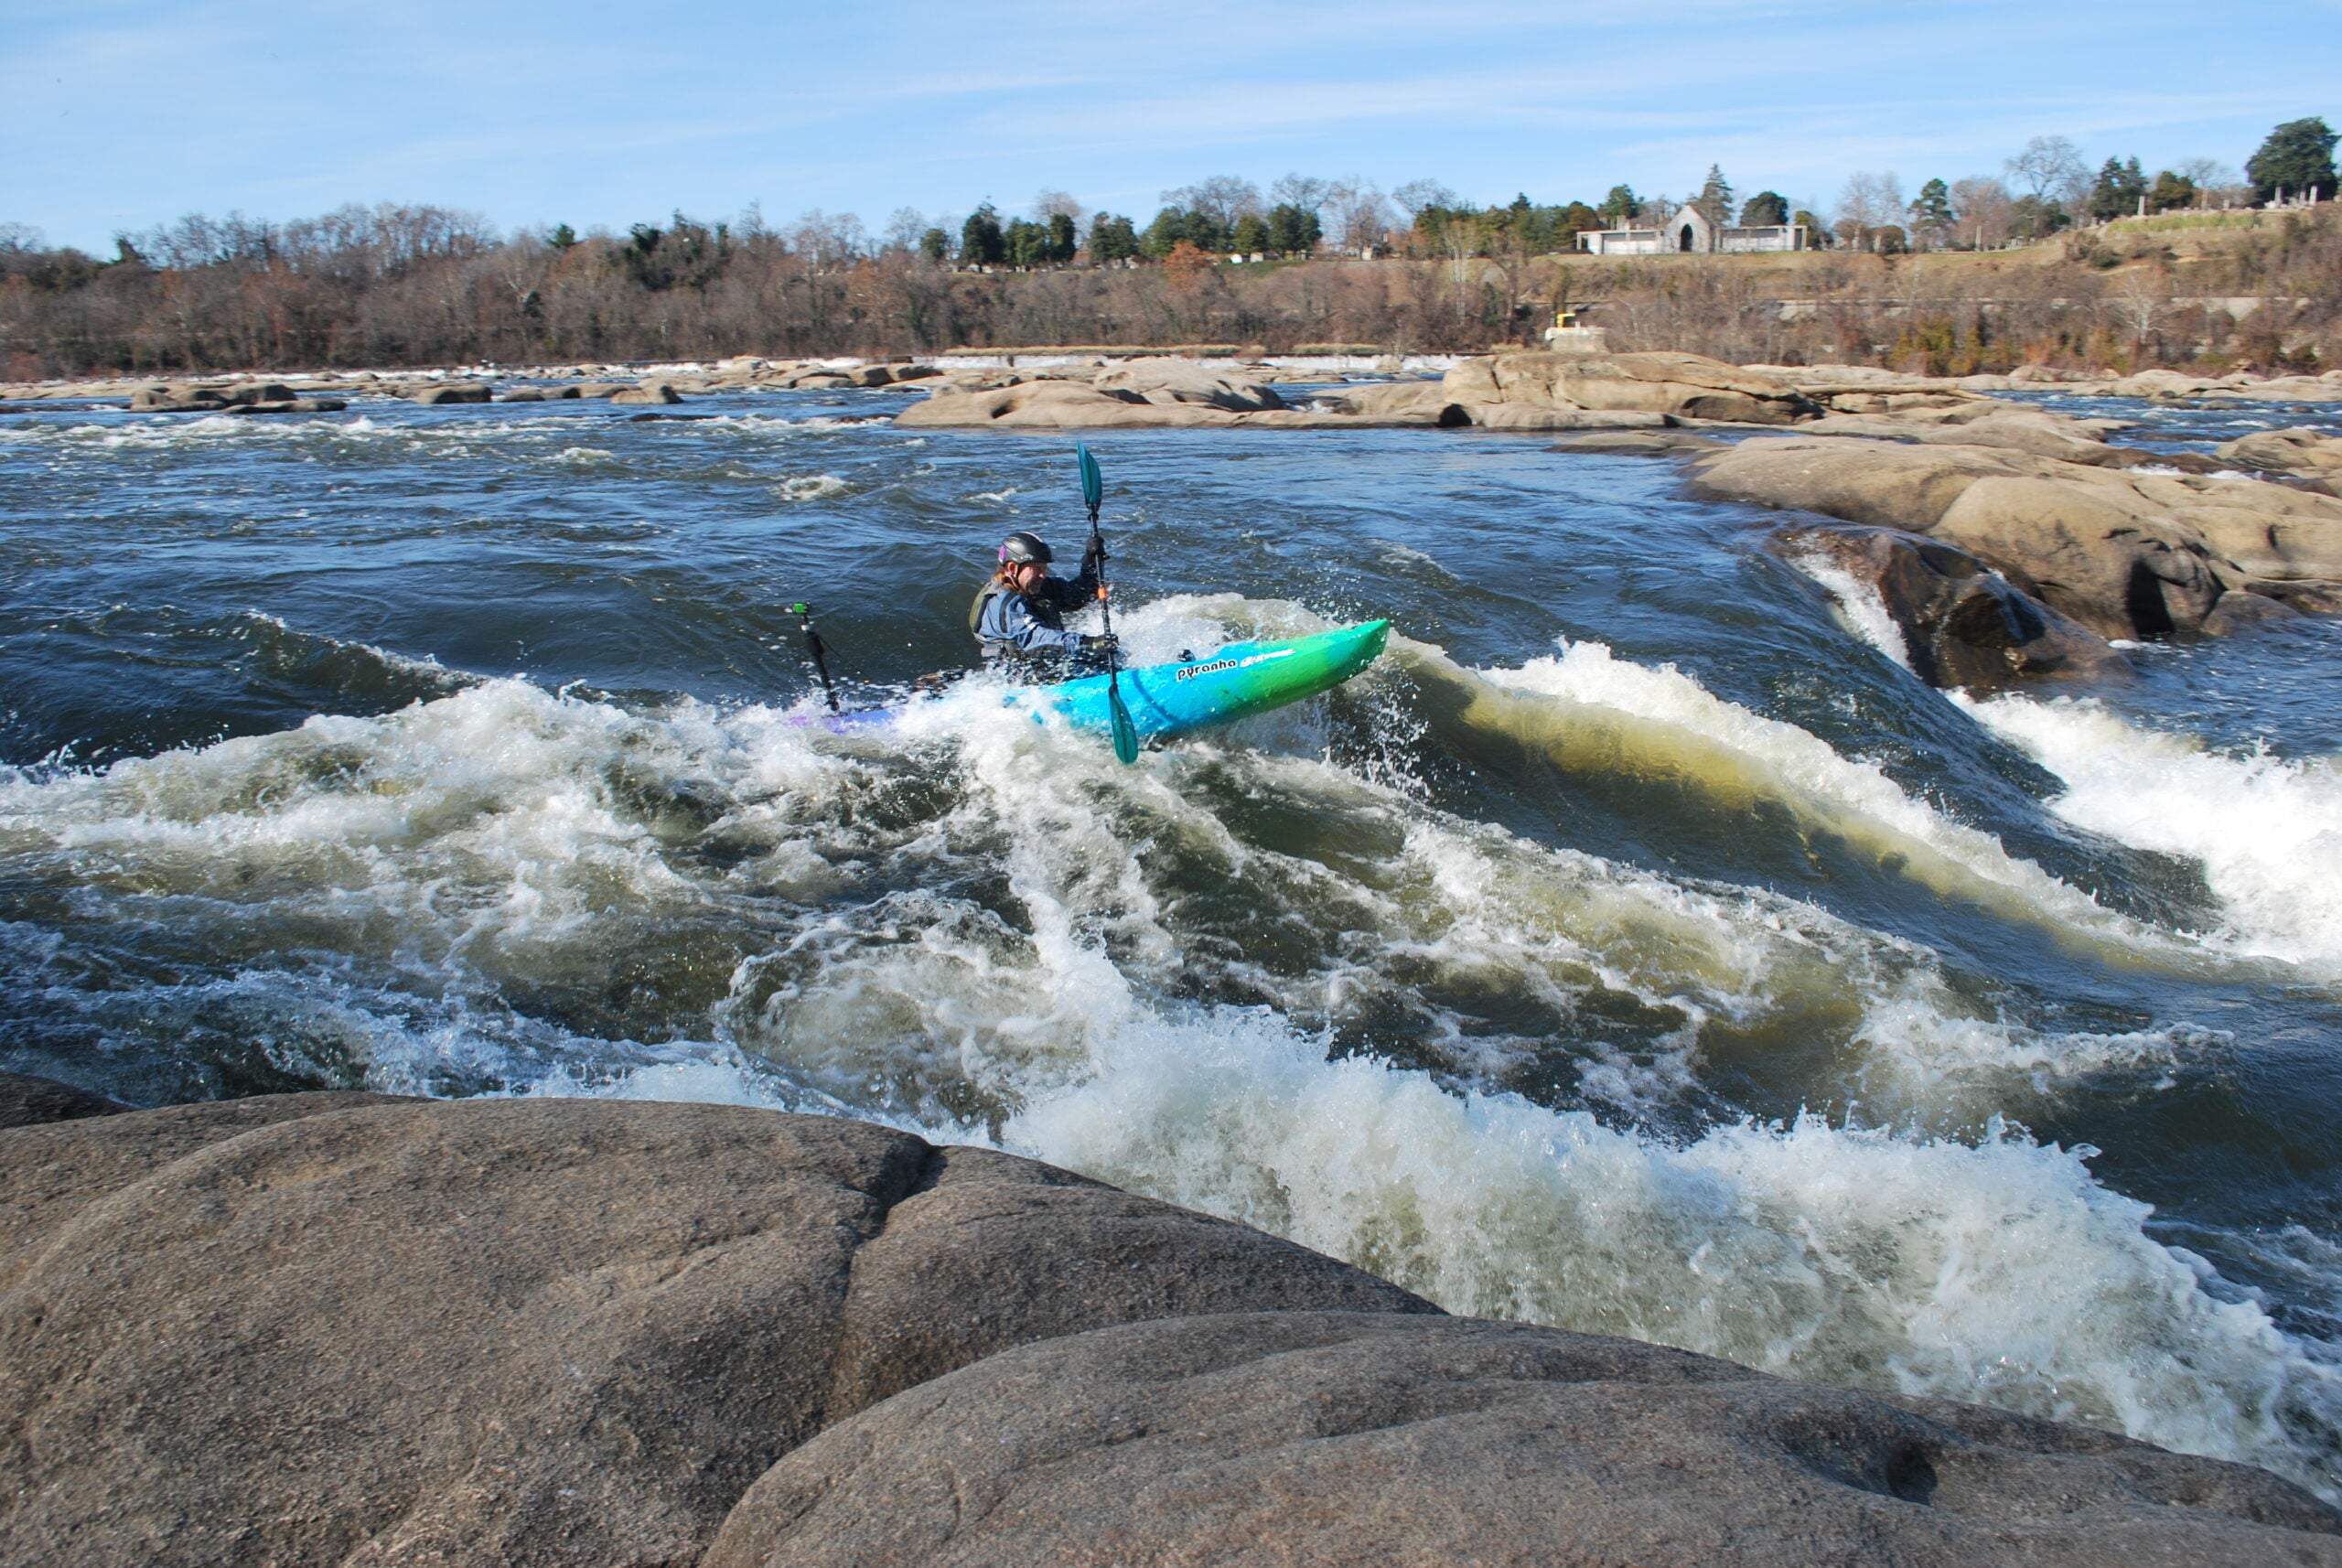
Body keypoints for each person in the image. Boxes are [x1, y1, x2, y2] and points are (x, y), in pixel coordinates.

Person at [969, 531, 1117, 676]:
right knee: (1095, 656)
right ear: (1013, 568)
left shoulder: (1037, 587)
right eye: (1036, 568)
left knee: (1110, 657)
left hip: (1042, 665)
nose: (1043, 574)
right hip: (1018, 679)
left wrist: (1091, 562)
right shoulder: (1003, 605)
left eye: (1044, 567)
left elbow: (1078, 595)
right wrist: (1089, 643)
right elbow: (1039, 638)